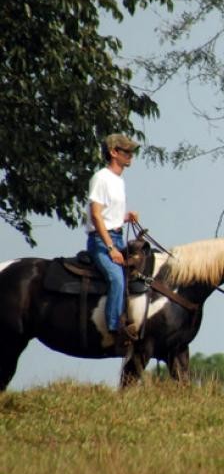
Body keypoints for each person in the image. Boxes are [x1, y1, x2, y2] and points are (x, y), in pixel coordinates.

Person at [86, 133, 140, 354]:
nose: (131, 156)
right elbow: (96, 216)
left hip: (116, 235)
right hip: (102, 240)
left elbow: (108, 214)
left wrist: (126, 217)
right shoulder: (101, 178)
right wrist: (111, 248)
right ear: (113, 152)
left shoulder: (119, 180)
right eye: (126, 152)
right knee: (117, 279)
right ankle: (113, 329)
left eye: (131, 152)